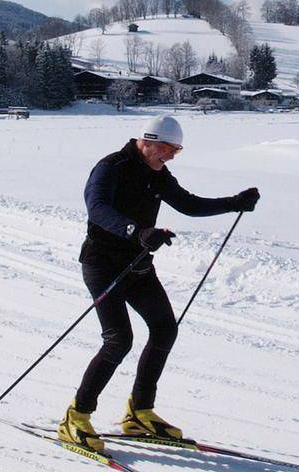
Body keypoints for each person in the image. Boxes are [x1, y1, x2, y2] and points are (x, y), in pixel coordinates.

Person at [59, 115, 259, 453]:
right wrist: (137, 232)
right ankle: (75, 417)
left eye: (177, 151)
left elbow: (189, 204)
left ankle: (139, 412)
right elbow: (97, 209)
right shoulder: (111, 166)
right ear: (148, 140)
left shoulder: (158, 175)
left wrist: (233, 203)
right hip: (101, 264)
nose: (171, 156)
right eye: (168, 149)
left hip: (136, 264)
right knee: (119, 339)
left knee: (165, 328)